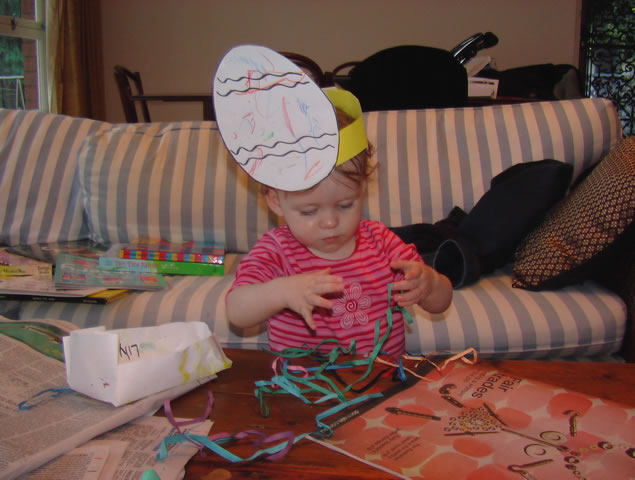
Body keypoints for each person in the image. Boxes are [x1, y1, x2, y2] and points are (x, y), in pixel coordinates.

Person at [225, 92, 453, 357]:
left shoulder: (382, 242)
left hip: (382, 378)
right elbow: (236, 310)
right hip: (305, 380)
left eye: (345, 205)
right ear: (276, 201)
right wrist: (281, 291)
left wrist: (430, 284)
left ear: (361, 188)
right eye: (310, 211)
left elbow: (441, 302)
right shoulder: (276, 251)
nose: (330, 222)